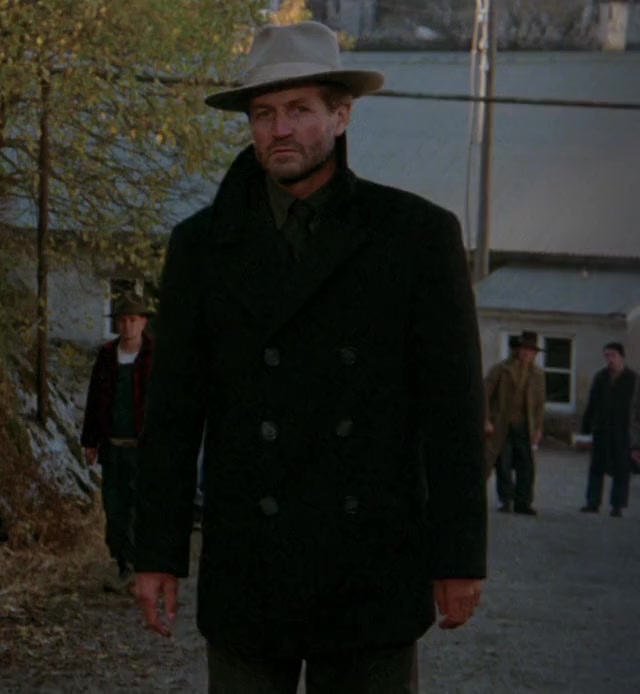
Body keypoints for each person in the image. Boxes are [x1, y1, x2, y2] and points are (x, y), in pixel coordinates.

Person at [130, 22, 487, 693]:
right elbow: (172, 414)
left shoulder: (415, 238)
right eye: (264, 114)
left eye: (299, 109)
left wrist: (459, 556)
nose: (280, 130)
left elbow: (454, 413)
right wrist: (157, 554)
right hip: (250, 568)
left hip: (370, 568)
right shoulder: (202, 247)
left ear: (341, 116)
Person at [80, 293, 153, 582]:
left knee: (138, 506)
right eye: (122, 320)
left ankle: (134, 566)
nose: (128, 326)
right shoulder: (107, 356)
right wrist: (90, 442)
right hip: (112, 447)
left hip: (143, 448)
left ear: (143, 322)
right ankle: (122, 560)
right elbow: (94, 399)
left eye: (133, 320)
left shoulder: (155, 356)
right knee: (114, 506)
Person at [484, 331, 546, 516]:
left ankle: (523, 502)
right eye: (524, 349)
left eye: (531, 350)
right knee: (503, 464)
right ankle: (506, 500)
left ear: (535, 354)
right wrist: (486, 420)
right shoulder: (501, 370)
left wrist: (538, 428)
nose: (526, 353)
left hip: (525, 426)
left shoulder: (538, 374)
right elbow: (484, 395)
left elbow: (539, 404)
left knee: (526, 466)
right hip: (502, 424)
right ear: (518, 350)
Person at [579, 343, 636, 516]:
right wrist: (585, 431)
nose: (609, 359)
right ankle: (592, 502)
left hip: (623, 430)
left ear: (621, 357)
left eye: (613, 355)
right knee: (596, 467)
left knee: (621, 469)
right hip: (602, 429)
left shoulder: (633, 379)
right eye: (607, 356)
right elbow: (592, 404)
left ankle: (617, 505)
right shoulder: (601, 377)